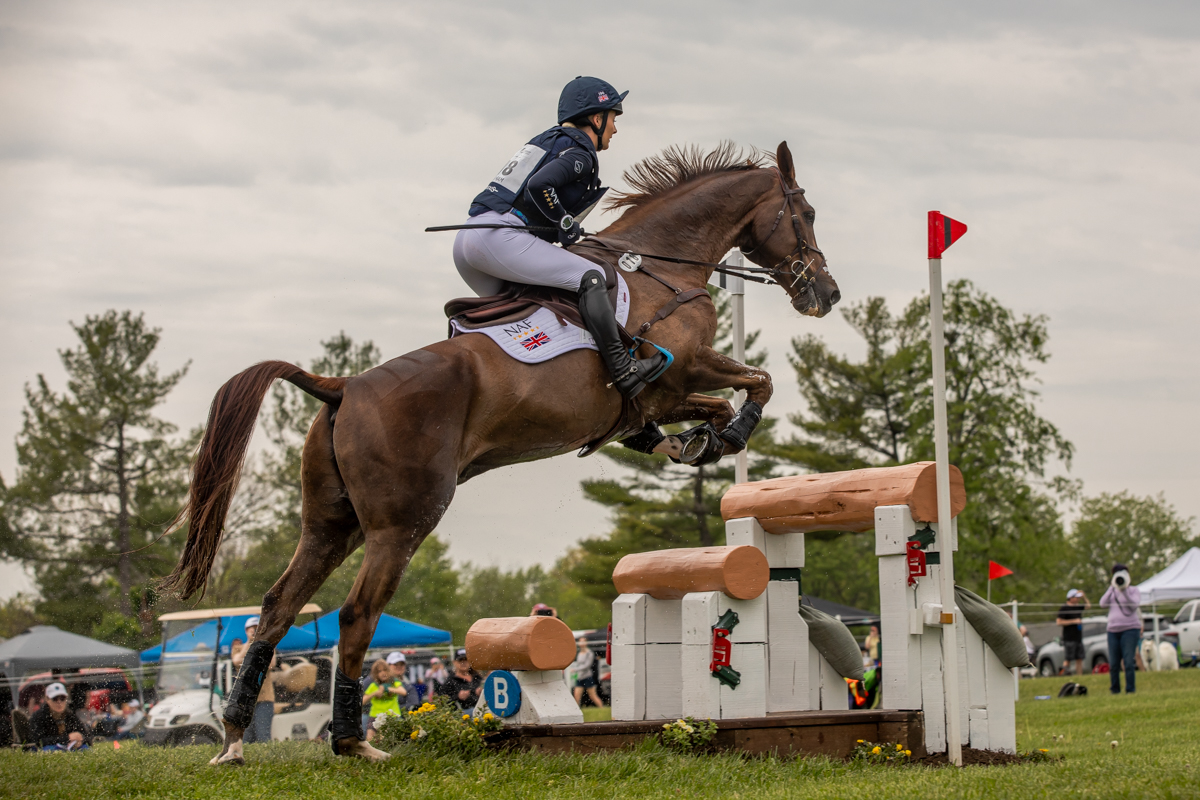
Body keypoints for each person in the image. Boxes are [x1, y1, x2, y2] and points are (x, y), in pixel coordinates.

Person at [452, 76, 670, 399]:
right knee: (591, 277)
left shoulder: (546, 140)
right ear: (596, 119)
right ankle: (623, 368)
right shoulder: (581, 150)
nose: (614, 129)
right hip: (501, 238)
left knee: (524, 311)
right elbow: (540, 186)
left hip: (468, 242)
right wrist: (563, 219)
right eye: (612, 119)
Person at [231, 615, 277, 744]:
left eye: (257, 628)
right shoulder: (238, 648)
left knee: (263, 735)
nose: (254, 631)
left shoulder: (268, 646)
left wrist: (258, 643)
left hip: (265, 698)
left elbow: (271, 664)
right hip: (245, 699)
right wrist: (250, 643)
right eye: (252, 629)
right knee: (246, 737)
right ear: (246, 631)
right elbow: (237, 661)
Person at [1101, 563, 1142, 695]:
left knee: (1128, 661)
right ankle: (1115, 689)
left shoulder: (1134, 590)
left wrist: (1124, 590)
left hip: (1130, 629)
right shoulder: (1112, 591)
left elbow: (1133, 606)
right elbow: (1102, 604)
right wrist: (1112, 588)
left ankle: (1130, 689)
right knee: (1114, 663)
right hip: (1113, 630)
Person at [29, 682, 89, 750]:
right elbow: (38, 741)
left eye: (62, 698)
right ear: (47, 699)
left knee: (85, 749)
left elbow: (88, 736)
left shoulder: (70, 715)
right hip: (49, 749)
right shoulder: (38, 717)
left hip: (69, 749)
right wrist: (67, 738)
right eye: (55, 698)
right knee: (50, 750)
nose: (59, 702)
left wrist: (80, 740)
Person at [362, 658, 408, 741]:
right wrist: (374, 693)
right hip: (375, 716)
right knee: (370, 737)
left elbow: (403, 692)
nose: (383, 673)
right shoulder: (374, 686)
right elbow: (363, 701)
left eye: (385, 670)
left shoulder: (394, 682)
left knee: (386, 738)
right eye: (379, 671)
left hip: (392, 715)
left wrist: (387, 689)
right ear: (376, 674)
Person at [1055, 588, 1090, 675]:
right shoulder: (1064, 608)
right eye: (1077, 598)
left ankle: (1079, 676)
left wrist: (1084, 597)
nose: (1078, 599)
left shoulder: (1078, 607)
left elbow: (1088, 606)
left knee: (1079, 658)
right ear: (1071, 598)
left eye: (1079, 598)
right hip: (1069, 638)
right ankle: (1062, 675)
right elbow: (1058, 622)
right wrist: (1074, 621)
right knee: (1068, 659)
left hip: (1078, 637)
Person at [570, 637, 604, 708]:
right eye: (580, 642)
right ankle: (576, 710)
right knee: (576, 696)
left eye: (583, 642)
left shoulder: (589, 653)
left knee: (593, 696)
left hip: (587, 677)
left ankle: (602, 708)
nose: (581, 643)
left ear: (586, 643)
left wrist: (575, 669)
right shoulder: (579, 653)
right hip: (580, 677)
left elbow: (587, 666)